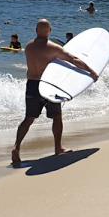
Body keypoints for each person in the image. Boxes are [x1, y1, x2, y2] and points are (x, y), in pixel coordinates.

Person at [13, 19, 98, 166]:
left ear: (35, 30)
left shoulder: (28, 47)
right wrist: (91, 72)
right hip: (49, 86)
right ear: (50, 31)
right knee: (57, 117)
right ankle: (58, 148)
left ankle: (16, 147)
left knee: (29, 118)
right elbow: (73, 59)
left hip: (32, 85)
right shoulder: (53, 48)